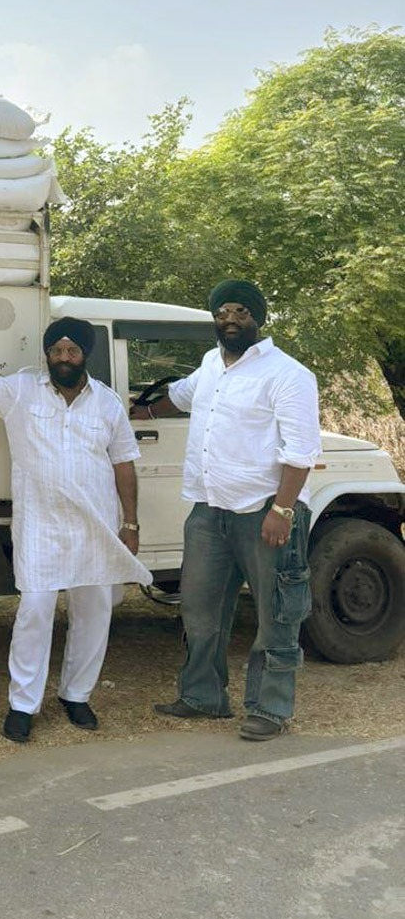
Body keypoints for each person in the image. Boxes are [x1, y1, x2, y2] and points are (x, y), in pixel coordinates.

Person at [0, 306, 151, 742]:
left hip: (96, 526)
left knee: (94, 612)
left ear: (84, 355)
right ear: (47, 354)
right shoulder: (21, 390)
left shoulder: (107, 402)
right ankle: (22, 705)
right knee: (34, 611)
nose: (64, 357)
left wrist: (130, 523)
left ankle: (77, 695)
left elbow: (124, 463)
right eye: (56, 350)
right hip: (40, 525)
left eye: (72, 350)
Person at [139, 280, 322, 741]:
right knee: (200, 609)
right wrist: (144, 412)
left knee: (276, 613)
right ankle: (203, 696)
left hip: (263, 510)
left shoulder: (288, 374)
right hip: (208, 510)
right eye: (222, 312)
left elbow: (301, 451)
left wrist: (282, 510)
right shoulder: (210, 364)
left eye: (241, 311)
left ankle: (269, 709)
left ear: (258, 317)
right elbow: (180, 395)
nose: (230, 319)